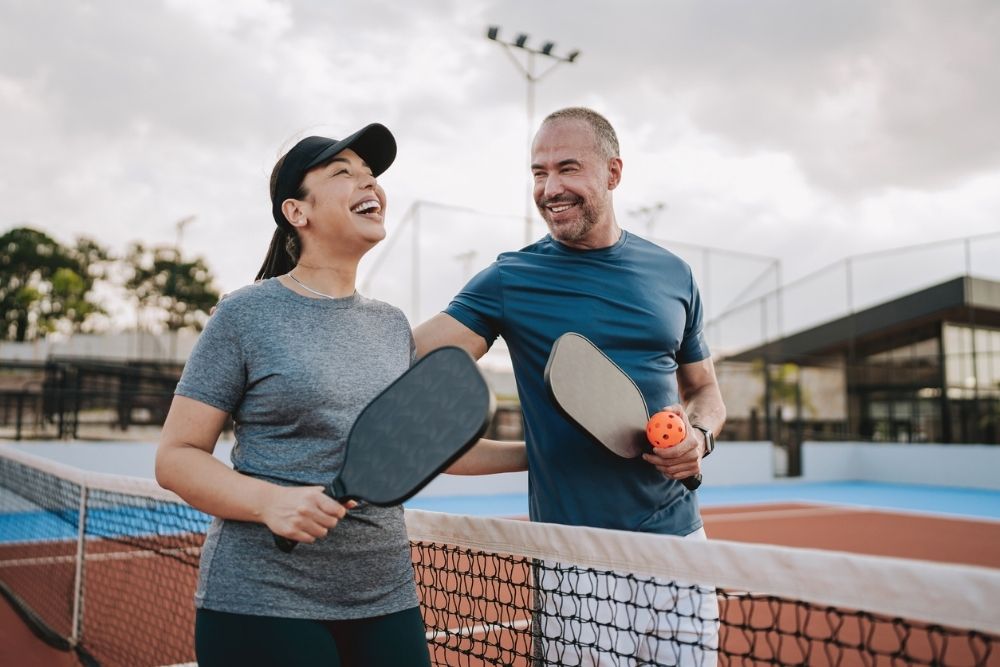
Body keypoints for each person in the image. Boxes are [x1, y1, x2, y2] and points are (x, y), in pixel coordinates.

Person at [155, 124, 524, 667]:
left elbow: (421, 450)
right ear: (296, 213)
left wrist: (536, 455)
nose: (368, 182)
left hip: (386, 597)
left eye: (371, 174)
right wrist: (271, 502)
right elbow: (176, 457)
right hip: (263, 602)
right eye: (343, 172)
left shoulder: (391, 325)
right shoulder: (245, 314)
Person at [413, 107, 726, 664]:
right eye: (538, 173)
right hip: (575, 557)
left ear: (613, 172)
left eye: (567, 168)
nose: (550, 188)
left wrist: (698, 436)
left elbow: (704, 388)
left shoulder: (673, 274)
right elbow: (406, 350)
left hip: (681, 545)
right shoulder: (511, 279)